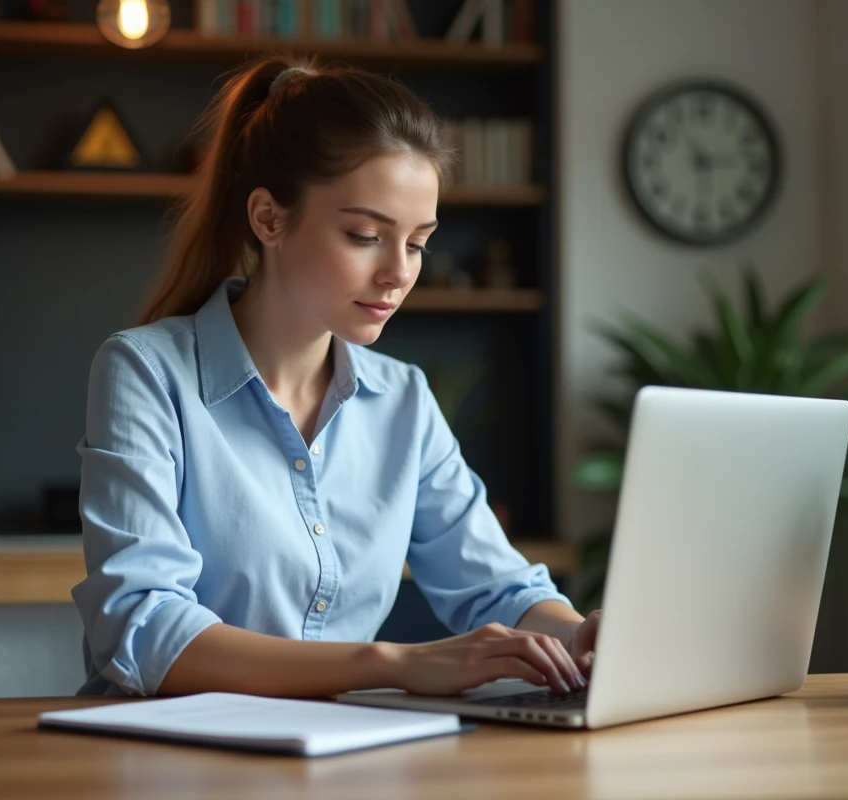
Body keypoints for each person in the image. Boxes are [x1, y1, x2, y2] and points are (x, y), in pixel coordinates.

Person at [72, 55, 601, 699]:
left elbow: (499, 588)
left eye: (417, 243)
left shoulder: (402, 398)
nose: (399, 273)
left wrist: (579, 636)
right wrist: (394, 664)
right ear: (268, 219)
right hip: (162, 749)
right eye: (365, 235)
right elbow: (144, 627)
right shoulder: (147, 372)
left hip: (342, 746)